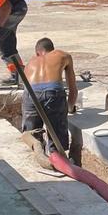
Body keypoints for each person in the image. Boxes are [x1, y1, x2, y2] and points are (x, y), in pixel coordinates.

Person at [20, 37, 79, 168]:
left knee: (32, 135)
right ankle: (57, 161)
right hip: (53, 93)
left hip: (30, 94)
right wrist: (68, 109)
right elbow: (73, 90)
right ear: (52, 49)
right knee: (56, 138)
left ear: (37, 52)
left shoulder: (30, 63)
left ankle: (38, 160)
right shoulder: (63, 55)